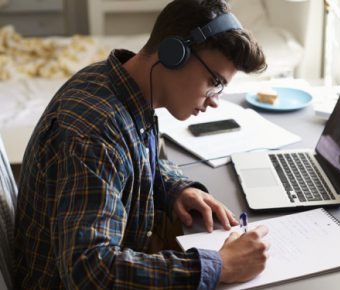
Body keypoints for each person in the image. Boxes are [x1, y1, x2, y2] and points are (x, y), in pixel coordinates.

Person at [14, 0, 270, 289]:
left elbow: (129, 160)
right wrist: (218, 266)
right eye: (213, 81)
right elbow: (90, 270)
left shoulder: (116, 85)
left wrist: (175, 187)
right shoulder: (95, 132)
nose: (214, 100)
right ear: (174, 53)